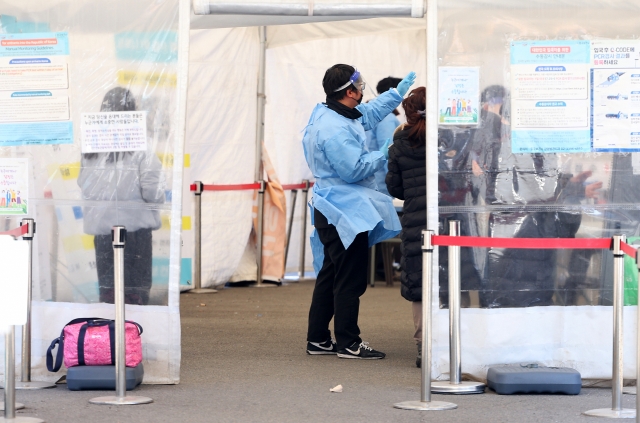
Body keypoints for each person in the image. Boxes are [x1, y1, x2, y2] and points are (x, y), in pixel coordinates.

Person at [304, 64, 416, 359]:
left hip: (334, 207)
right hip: (343, 210)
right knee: (349, 278)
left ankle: (318, 339)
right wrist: (387, 150)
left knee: (330, 275)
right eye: (359, 86)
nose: (363, 90)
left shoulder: (331, 112)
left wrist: (395, 94)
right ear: (350, 92)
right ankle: (349, 342)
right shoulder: (334, 130)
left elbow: (367, 114)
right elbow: (354, 170)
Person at [78, 87, 166, 305]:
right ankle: (133, 336)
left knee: (109, 294)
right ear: (133, 113)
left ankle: (108, 337)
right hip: (135, 233)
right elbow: (152, 191)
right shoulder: (141, 148)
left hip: (103, 233)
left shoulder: (91, 149)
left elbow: (85, 185)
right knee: (135, 293)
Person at [364, 76, 402, 196]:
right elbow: (388, 152)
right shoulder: (386, 118)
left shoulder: (370, 113)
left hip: (372, 179)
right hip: (382, 183)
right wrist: (395, 182)